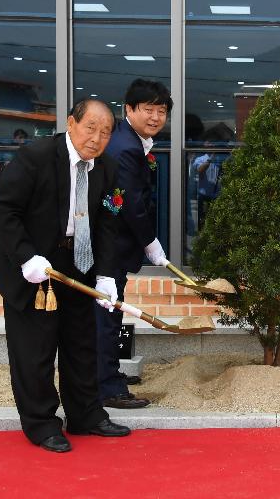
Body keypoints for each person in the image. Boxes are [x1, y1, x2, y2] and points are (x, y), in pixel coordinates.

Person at [0, 98, 131, 452]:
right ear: (71, 123)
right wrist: (25, 258)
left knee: (82, 345)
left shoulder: (108, 169)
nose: (97, 138)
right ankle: (41, 424)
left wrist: (108, 275)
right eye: (90, 128)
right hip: (34, 268)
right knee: (35, 350)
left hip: (78, 265)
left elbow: (109, 223)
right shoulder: (35, 157)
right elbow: (4, 211)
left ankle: (86, 415)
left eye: (106, 132)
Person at [99, 78, 173, 408]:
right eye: (148, 109)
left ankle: (109, 374)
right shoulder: (126, 147)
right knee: (106, 315)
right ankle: (107, 387)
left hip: (113, 247)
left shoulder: (133, 141)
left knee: (110, 313)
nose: (156, 117)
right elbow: (131, 203)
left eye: (162, 111)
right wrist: (151, 243)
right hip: (108, 249)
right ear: (129, 109)